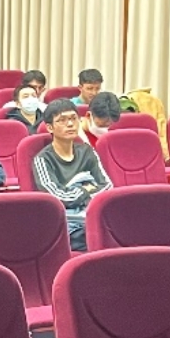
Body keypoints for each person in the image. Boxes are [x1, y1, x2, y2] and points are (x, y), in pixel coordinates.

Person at [30, 100, 111, 251]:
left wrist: (80, 196)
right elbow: (58, 197)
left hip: (91, 216)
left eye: (73, 118)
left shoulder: (87, 152)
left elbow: (107, 187)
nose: (70, 124)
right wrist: (86, 190)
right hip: (66, 223)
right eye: (62, 120)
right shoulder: (43, 159)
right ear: (50, 127)